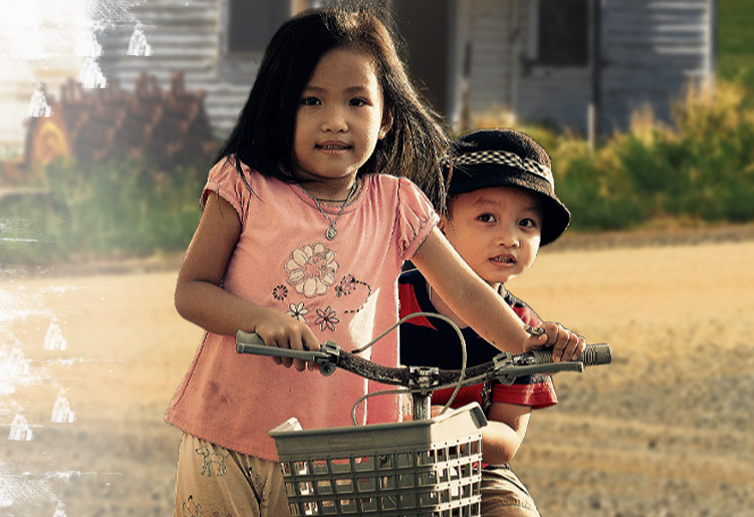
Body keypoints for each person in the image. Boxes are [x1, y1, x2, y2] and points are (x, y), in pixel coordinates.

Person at [164, 8, 579, 516]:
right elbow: (193, 290)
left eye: (357, 101)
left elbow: (466, 292)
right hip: (226, 435)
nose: (335, 120)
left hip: (341, 452)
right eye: (310, 100)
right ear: (278, 109)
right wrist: (263, 320)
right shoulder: (243, 183)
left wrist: (531, 344)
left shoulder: (396, 202)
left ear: (384, 120)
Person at [399, 128, 585, 516]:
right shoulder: (391, 299)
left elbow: (506, 438)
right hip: (386, 460)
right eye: (487, 217)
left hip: (477, 470)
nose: (510, 238)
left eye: (526, 224)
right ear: (441, 220)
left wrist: (450, 427)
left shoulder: (523, 329)